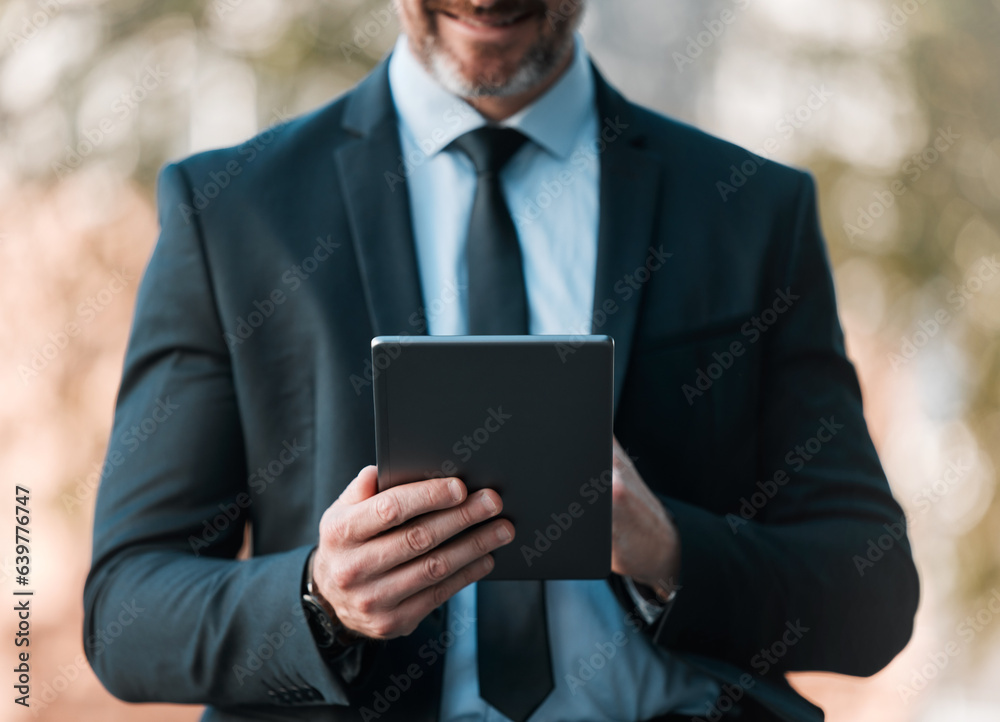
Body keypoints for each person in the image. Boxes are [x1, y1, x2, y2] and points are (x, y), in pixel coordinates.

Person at [83, 1, 920, 720]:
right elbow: (126, 607)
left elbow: (873, 594)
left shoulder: (749, 213)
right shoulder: (231, 213)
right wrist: (320, 599)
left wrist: (671, 553)